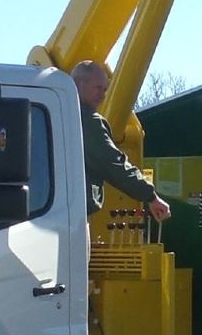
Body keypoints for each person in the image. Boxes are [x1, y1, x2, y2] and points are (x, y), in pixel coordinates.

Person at [71, 60, 172, 222]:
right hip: (73, 215)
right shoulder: (88, 122)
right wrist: (151, 196)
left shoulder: (54, 117)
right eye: (98, 88)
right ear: (79, 84)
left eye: (105, 90)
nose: (102, 95)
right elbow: (113, 163)